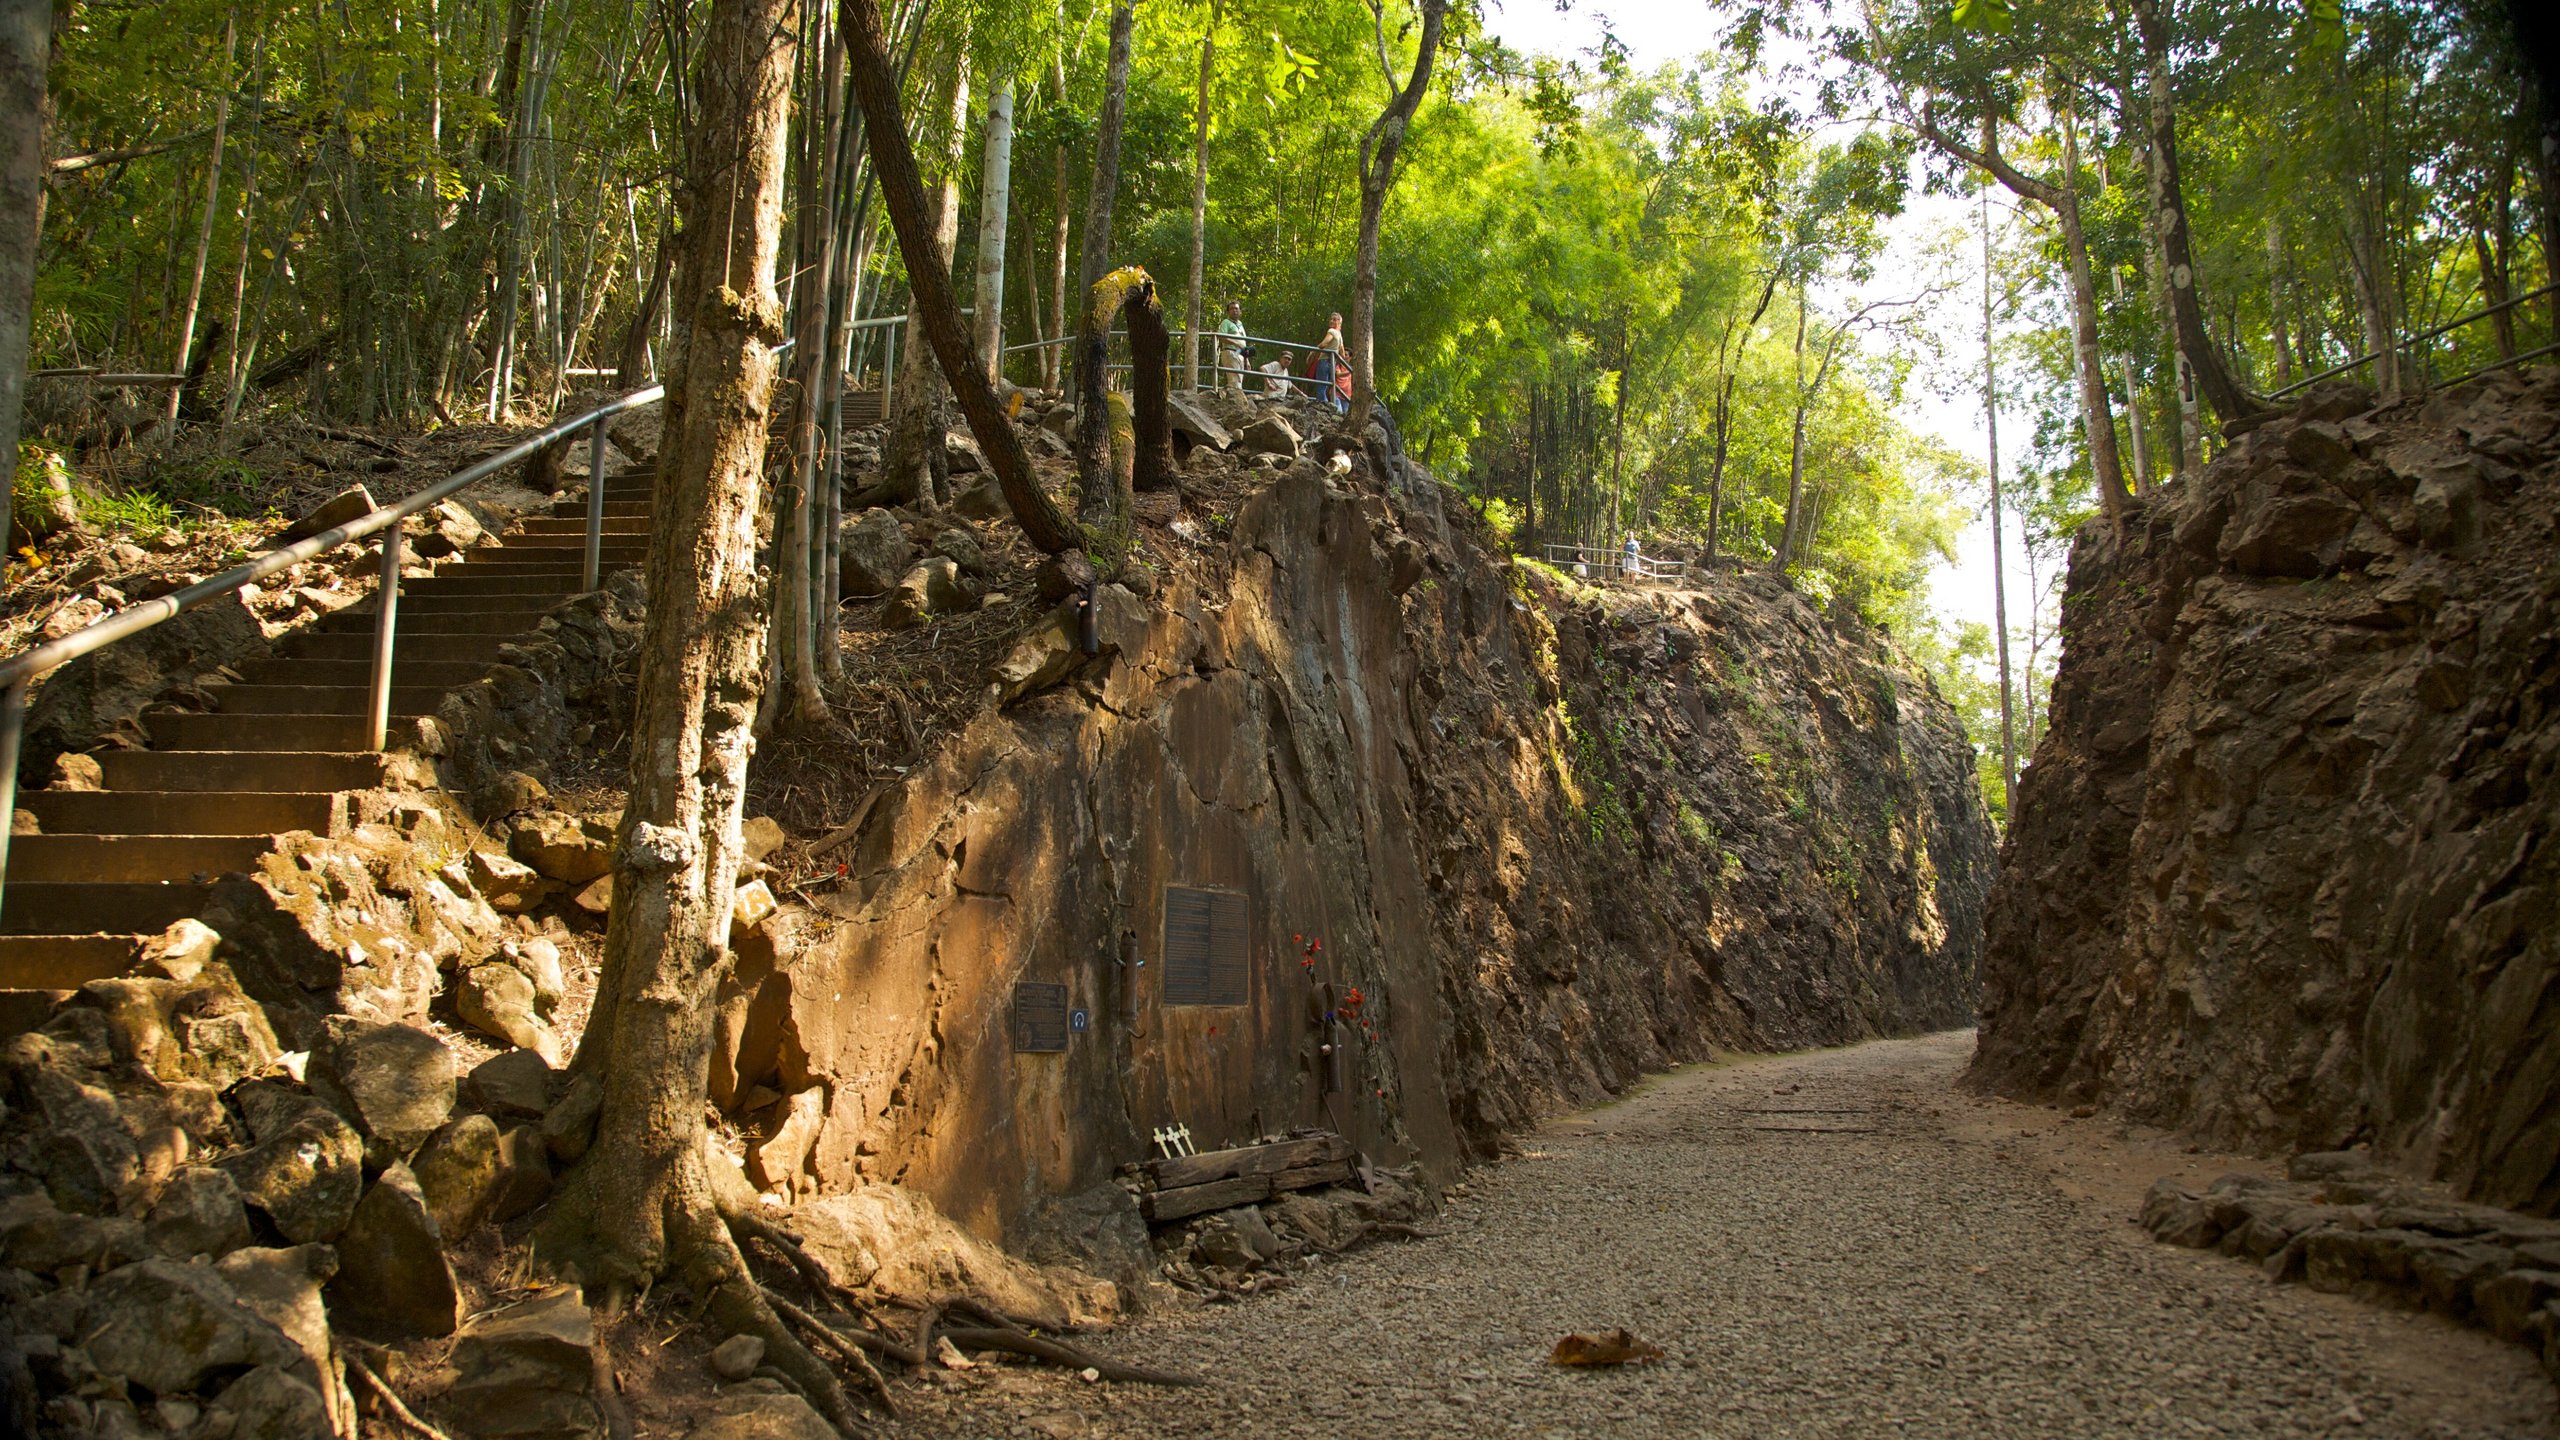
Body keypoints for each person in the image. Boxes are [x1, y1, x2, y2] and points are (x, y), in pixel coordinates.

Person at [1310, 312, 1351, 415]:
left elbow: (1325, 343)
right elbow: (1341, 351)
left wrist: (1314, 350)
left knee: (1321, 386)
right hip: (1332, 363)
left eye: (1334, 319)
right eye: (1331, 319)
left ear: (1338, 322)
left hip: (1324, 361)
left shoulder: (1332, 331)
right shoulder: (1340, 335)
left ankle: (1322, 407)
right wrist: (1342, 362)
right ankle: (1328, 407)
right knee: (1328, 385)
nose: (1331, 321)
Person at [1216, 301, 1249, 392]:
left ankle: (1228, 397)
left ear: (1240, 311)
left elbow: (1243, 343)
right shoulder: (1226, 322)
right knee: (1234, 380)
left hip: (1240, 354)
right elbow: (1221, 337)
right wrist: (1235, 343)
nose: (1234, 311)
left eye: (1236, 308)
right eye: (1232, 309)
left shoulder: (1240, 325)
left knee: (1238, 380)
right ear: (1228, 312)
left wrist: (1246, 359)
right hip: (1230, 352)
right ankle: (1233, 401)